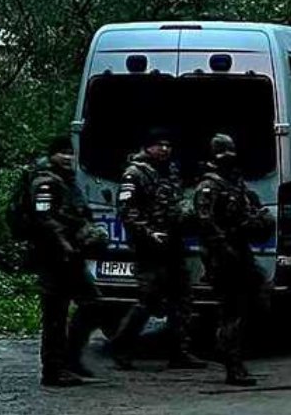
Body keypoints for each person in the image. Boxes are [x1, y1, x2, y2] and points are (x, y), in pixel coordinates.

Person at [109, 128, 206, 370]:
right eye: (159, 145)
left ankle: (180, 352)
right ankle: (121, 347)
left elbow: (175, 203)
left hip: (173, 244)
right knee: (148, 300)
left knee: (182, 298)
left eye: (168, 145)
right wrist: (149, 233)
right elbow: (127, 212)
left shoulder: (170, 171)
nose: (164, 149)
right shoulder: (135, 174)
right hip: (149, 248)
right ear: (148, 147)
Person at [24, 136, 107, 387]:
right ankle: (53, 369)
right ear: (52, 156)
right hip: (53, 257)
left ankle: (70, 358)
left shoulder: (68, 180)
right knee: (55, 314)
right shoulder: (45, 182)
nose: (68, 158)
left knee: (93, 303)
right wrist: (64, 244)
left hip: (71, 256)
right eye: (62, 154)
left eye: (71, 154)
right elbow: (45, 219)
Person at [194, 134, 273, 386]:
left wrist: (258, 220)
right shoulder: (209, 186)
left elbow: (246, 215)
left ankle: (227, 351)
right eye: (223, 154)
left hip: (240, 251)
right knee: (232, 309)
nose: (228, 158)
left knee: (254, 302)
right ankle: (232, 364)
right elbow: (205, 222)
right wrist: (223, 248)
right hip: (222, 256)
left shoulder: (235, 184)